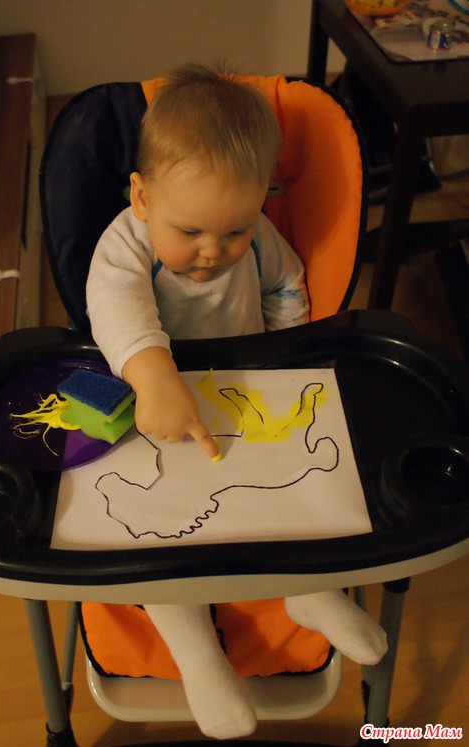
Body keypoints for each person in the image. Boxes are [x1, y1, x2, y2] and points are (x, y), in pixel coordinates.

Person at [86, 64, 387, 740]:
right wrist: (152, 374)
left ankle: (309, 591)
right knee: (153, 529)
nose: (212, 253)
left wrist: (285, 356)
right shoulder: (126, 244)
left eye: (235, 231)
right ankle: (196, 649)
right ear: (142, 196)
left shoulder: (256, 239)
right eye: (191, 231)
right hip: (155, 408)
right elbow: (115, 306)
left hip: (243, 391)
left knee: (288, 489)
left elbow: (286, 285)